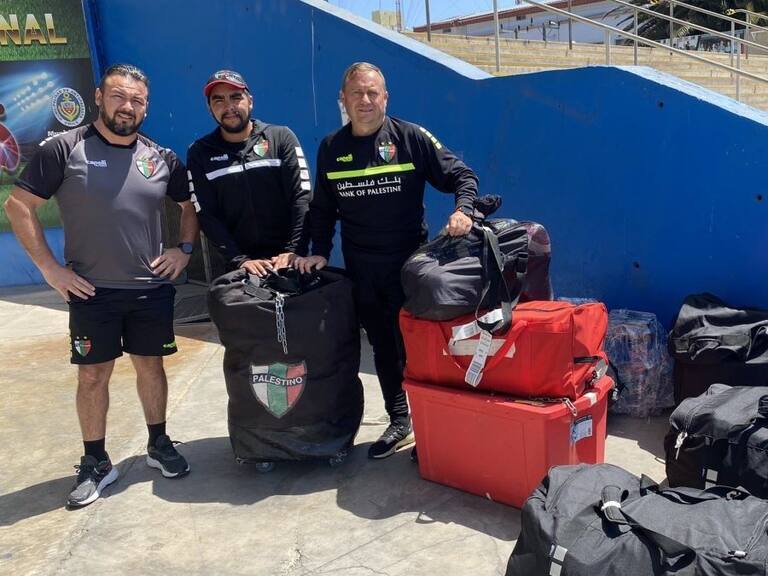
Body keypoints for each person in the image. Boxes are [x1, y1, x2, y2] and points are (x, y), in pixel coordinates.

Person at [3, 63, 199, 507]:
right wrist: (51, 270)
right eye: (118, 96)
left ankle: (159, 444)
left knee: (152, 368)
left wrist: (183, 250)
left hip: (150, 289)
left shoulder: (161, 158)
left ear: (145, 106)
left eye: (137, 100)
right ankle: (96, 461)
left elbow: (189, 207)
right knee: (93, 376)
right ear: (98, 96)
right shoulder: (64, 149)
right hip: (92, 292)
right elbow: (19, 206)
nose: (127, 106)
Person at [295, 62, 478, 459]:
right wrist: (319, 252)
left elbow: (462, 176)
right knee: (381, 345)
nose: (365, 100)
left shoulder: (410, 136)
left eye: (373, 92)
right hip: (362, 268)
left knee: (420, 347)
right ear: (342, 99)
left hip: (413, 266)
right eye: (357, 93)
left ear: (385, 97)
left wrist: (464, 210)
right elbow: (322, 209)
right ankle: (399, 420)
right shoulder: (331, 147)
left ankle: (433, 423)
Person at [186, 69, 311, 276]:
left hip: (290, 262)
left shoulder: (280, 138)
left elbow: (302, 197)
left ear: (250, 101)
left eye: (236, 97)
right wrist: (239, 260)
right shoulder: (200, 153)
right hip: (241, 269)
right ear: (210, 109)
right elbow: (207, 214)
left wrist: (293, 251)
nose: (229, 107)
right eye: (219, 100)